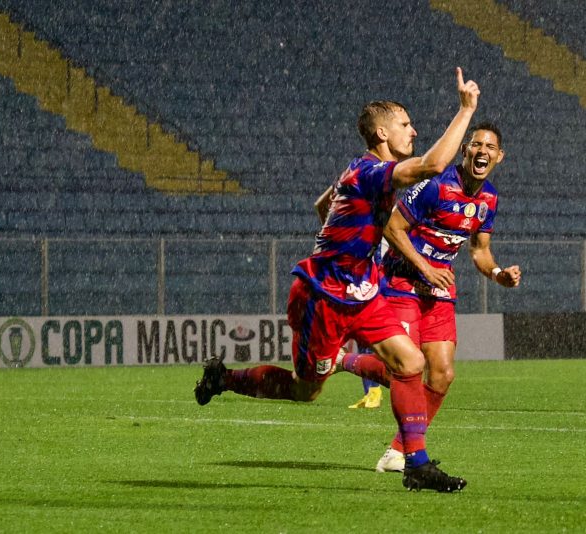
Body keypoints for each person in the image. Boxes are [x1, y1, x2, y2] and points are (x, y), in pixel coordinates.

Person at [194, 67, 480, 492]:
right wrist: (465, 109)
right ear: (382, 133)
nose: (414, 131)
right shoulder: (371, 171)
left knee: (411, 363)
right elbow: (435, 164)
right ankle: (225, 379)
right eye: (405, 124)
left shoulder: (362, 174)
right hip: (322, 297)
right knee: (306, 390)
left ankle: (415, 464)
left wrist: (345, 240)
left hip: (361, 292)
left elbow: (324, 202)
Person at [339, 121, 522, 473]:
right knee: (404, 371)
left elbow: (480, 251)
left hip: (438, 290)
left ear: (500, 157)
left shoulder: (489, 199)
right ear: (466, 150)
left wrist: (498, 273)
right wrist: (424, 267)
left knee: (442, 374)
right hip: (401, 282)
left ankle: (396, 452)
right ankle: (342, 361)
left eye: (489, 147)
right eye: (476, 144)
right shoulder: (435, 186)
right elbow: (392, 228)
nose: (481, 151)